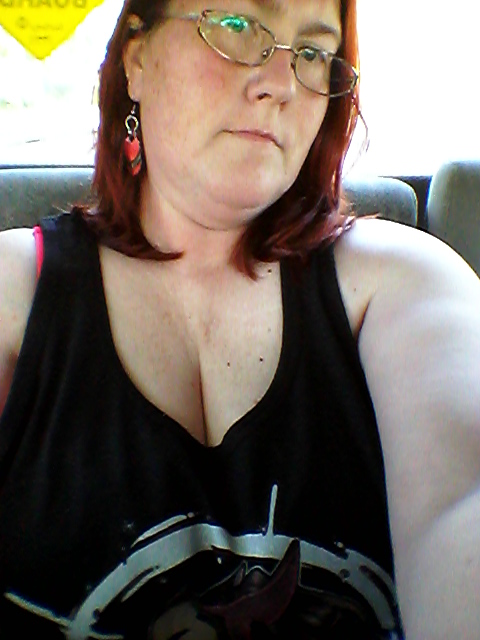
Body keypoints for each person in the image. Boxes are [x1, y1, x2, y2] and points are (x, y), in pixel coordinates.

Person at [0, 0, 479, 638]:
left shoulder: (405, 286)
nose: (282, 83)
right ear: (136, 59)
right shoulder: (14, 297)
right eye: (234, 26)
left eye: (313, 52)